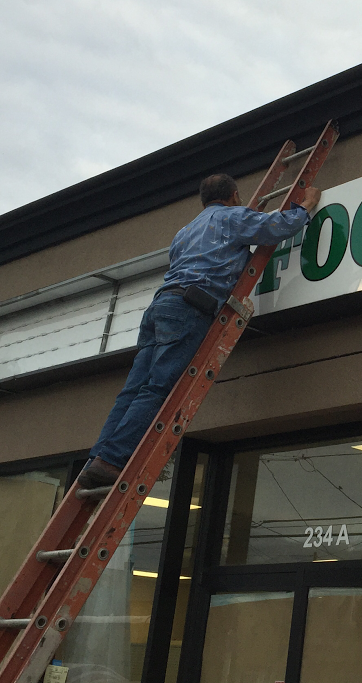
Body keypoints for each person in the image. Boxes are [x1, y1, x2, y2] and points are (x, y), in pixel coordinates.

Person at [77, 173, 320, 489]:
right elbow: (275, 228)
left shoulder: (184, 231)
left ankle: (99, 458)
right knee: (159, 388)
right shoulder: (232, 217)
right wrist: (306, 206)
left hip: (160, 307)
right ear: (233, 195)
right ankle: (111, 460)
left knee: (135, 388)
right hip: (190, 308)